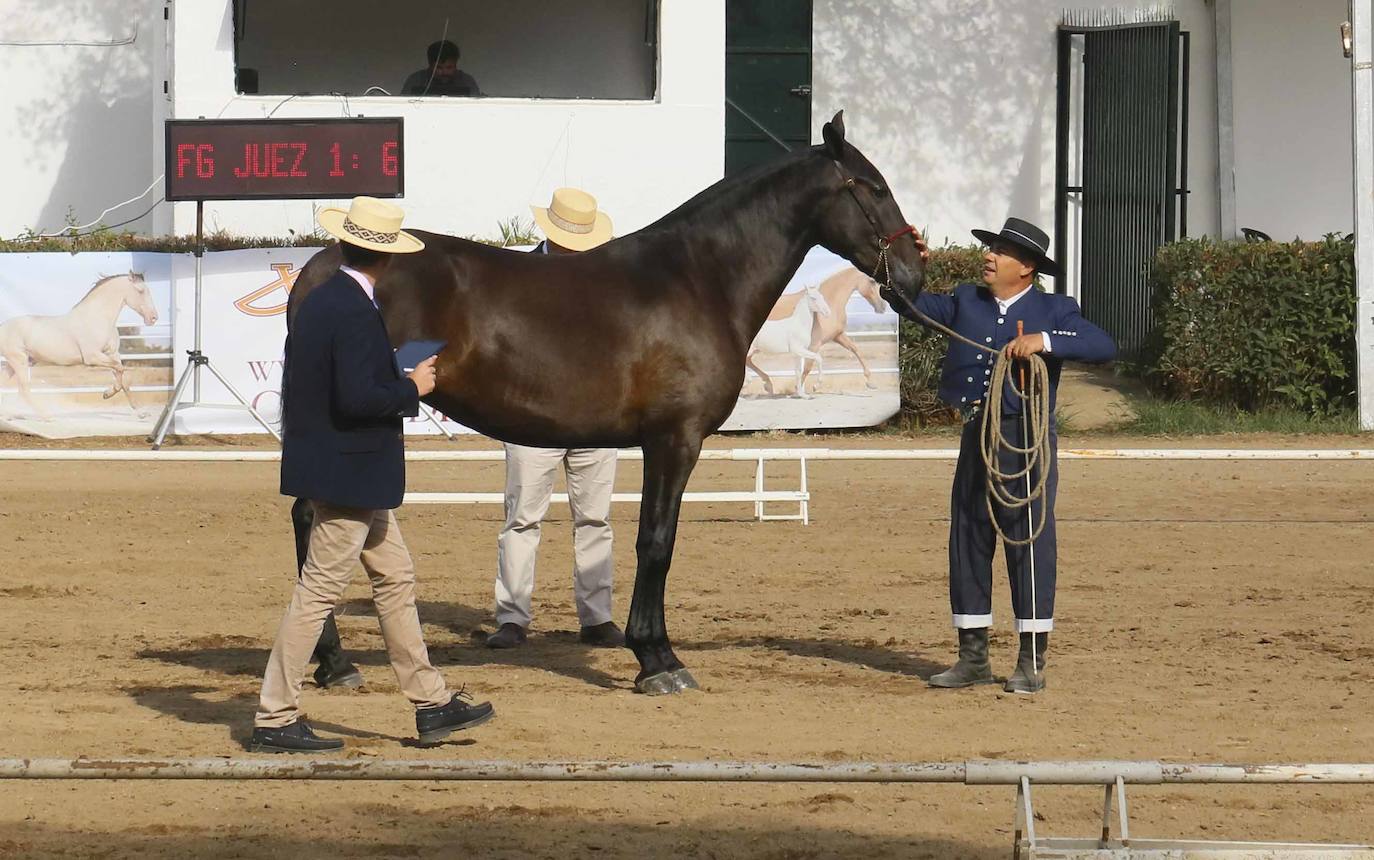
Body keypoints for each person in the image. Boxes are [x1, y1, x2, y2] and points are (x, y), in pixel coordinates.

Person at [251, 196, 494, 752]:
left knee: (395, 578)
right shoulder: (355, 309)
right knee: (318, 592)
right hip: (352, 471)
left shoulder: (325, 300)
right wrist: (413, 387)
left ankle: (431, 702)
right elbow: (358, 398)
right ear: (387, 260)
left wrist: (395, 371)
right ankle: (274, 713)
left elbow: (340, 382)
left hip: (346, 469)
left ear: (345, 245)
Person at [897, 217, 1115, 694]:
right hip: (977, 433)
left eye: (1000, 250)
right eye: (991, 247)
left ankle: (1031, 662)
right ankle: (972, 657)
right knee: (969, 536)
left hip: (1026, 436)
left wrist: (1044, 342)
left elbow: (1104, 345)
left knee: (1028, 539)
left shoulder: (1056, 309)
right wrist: (910, 264)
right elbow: (904, 302)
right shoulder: (964, 300)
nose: (989, 256)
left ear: (1027, 267)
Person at [485, 187, 625, 650]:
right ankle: (513, 616)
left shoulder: (609, 279)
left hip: (596, 416)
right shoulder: (517, 278)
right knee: (522, 518)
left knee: (595, 519)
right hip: (531, 415)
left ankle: (597, 615)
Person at [401, 39, 481, 97]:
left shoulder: (466, 81)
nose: (444, 72)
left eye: (449, 67)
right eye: (439, 68)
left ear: (456, 64)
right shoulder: (416, 80)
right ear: (430, 65)